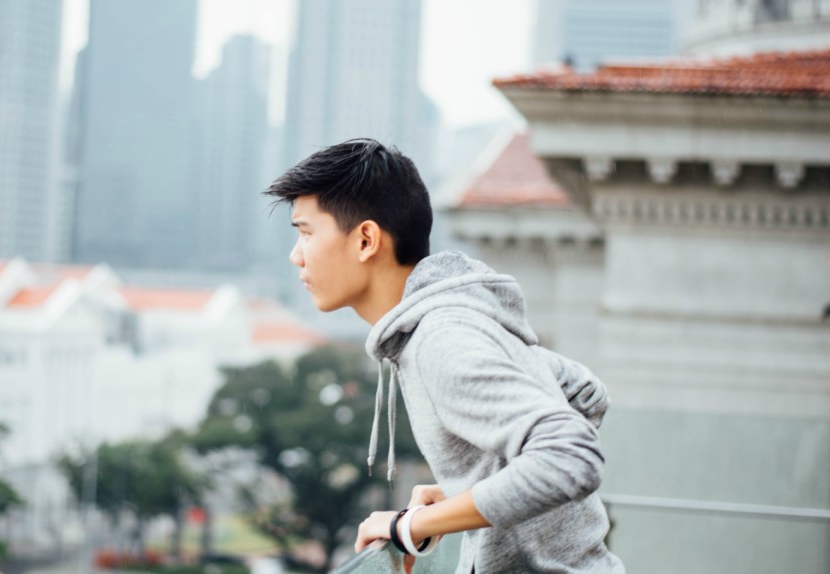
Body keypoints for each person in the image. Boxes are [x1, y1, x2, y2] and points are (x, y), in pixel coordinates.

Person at [263, 139, 624, 573]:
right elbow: (586, 393)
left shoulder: (442, 340)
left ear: (365, 240)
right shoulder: (454, 323)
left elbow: (572, 456)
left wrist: (417, 525)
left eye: (306, 233)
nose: (295, 255)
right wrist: (467, 494)